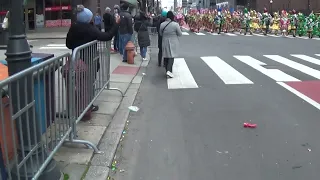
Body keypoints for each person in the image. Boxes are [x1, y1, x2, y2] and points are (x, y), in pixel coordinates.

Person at [66, 5, 120, 119]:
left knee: (78, 84)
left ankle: (79, 106)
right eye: (90, 17)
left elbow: (68, 44)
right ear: (88, 19)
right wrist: (116, 24)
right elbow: (106, 36)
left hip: (76, 61)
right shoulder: (89, 29)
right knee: (89, 83)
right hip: (89, 60)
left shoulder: (74, 27)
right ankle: (87, 107)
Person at [159, 11, 182, 78]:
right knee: (171, 56)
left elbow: (160, 34)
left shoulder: (162, 24)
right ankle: (169, 71)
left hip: (164, 41)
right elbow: (180, 34)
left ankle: (167, 70)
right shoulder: (175, 24)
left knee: (166, 56)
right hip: (173, 42)